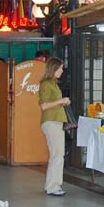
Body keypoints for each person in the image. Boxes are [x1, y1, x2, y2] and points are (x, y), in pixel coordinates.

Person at [38, 57, 69, 196]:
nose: (62, 71)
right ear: (53, 69)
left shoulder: (53, 83)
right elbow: (43, 106)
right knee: (57, 155)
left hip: (55, 121)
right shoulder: (46, 84)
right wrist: (61, 101)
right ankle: (53, 186)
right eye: (60, 68)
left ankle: (53, 184)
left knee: (57, 154)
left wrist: (61, 102)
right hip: (51, 122)